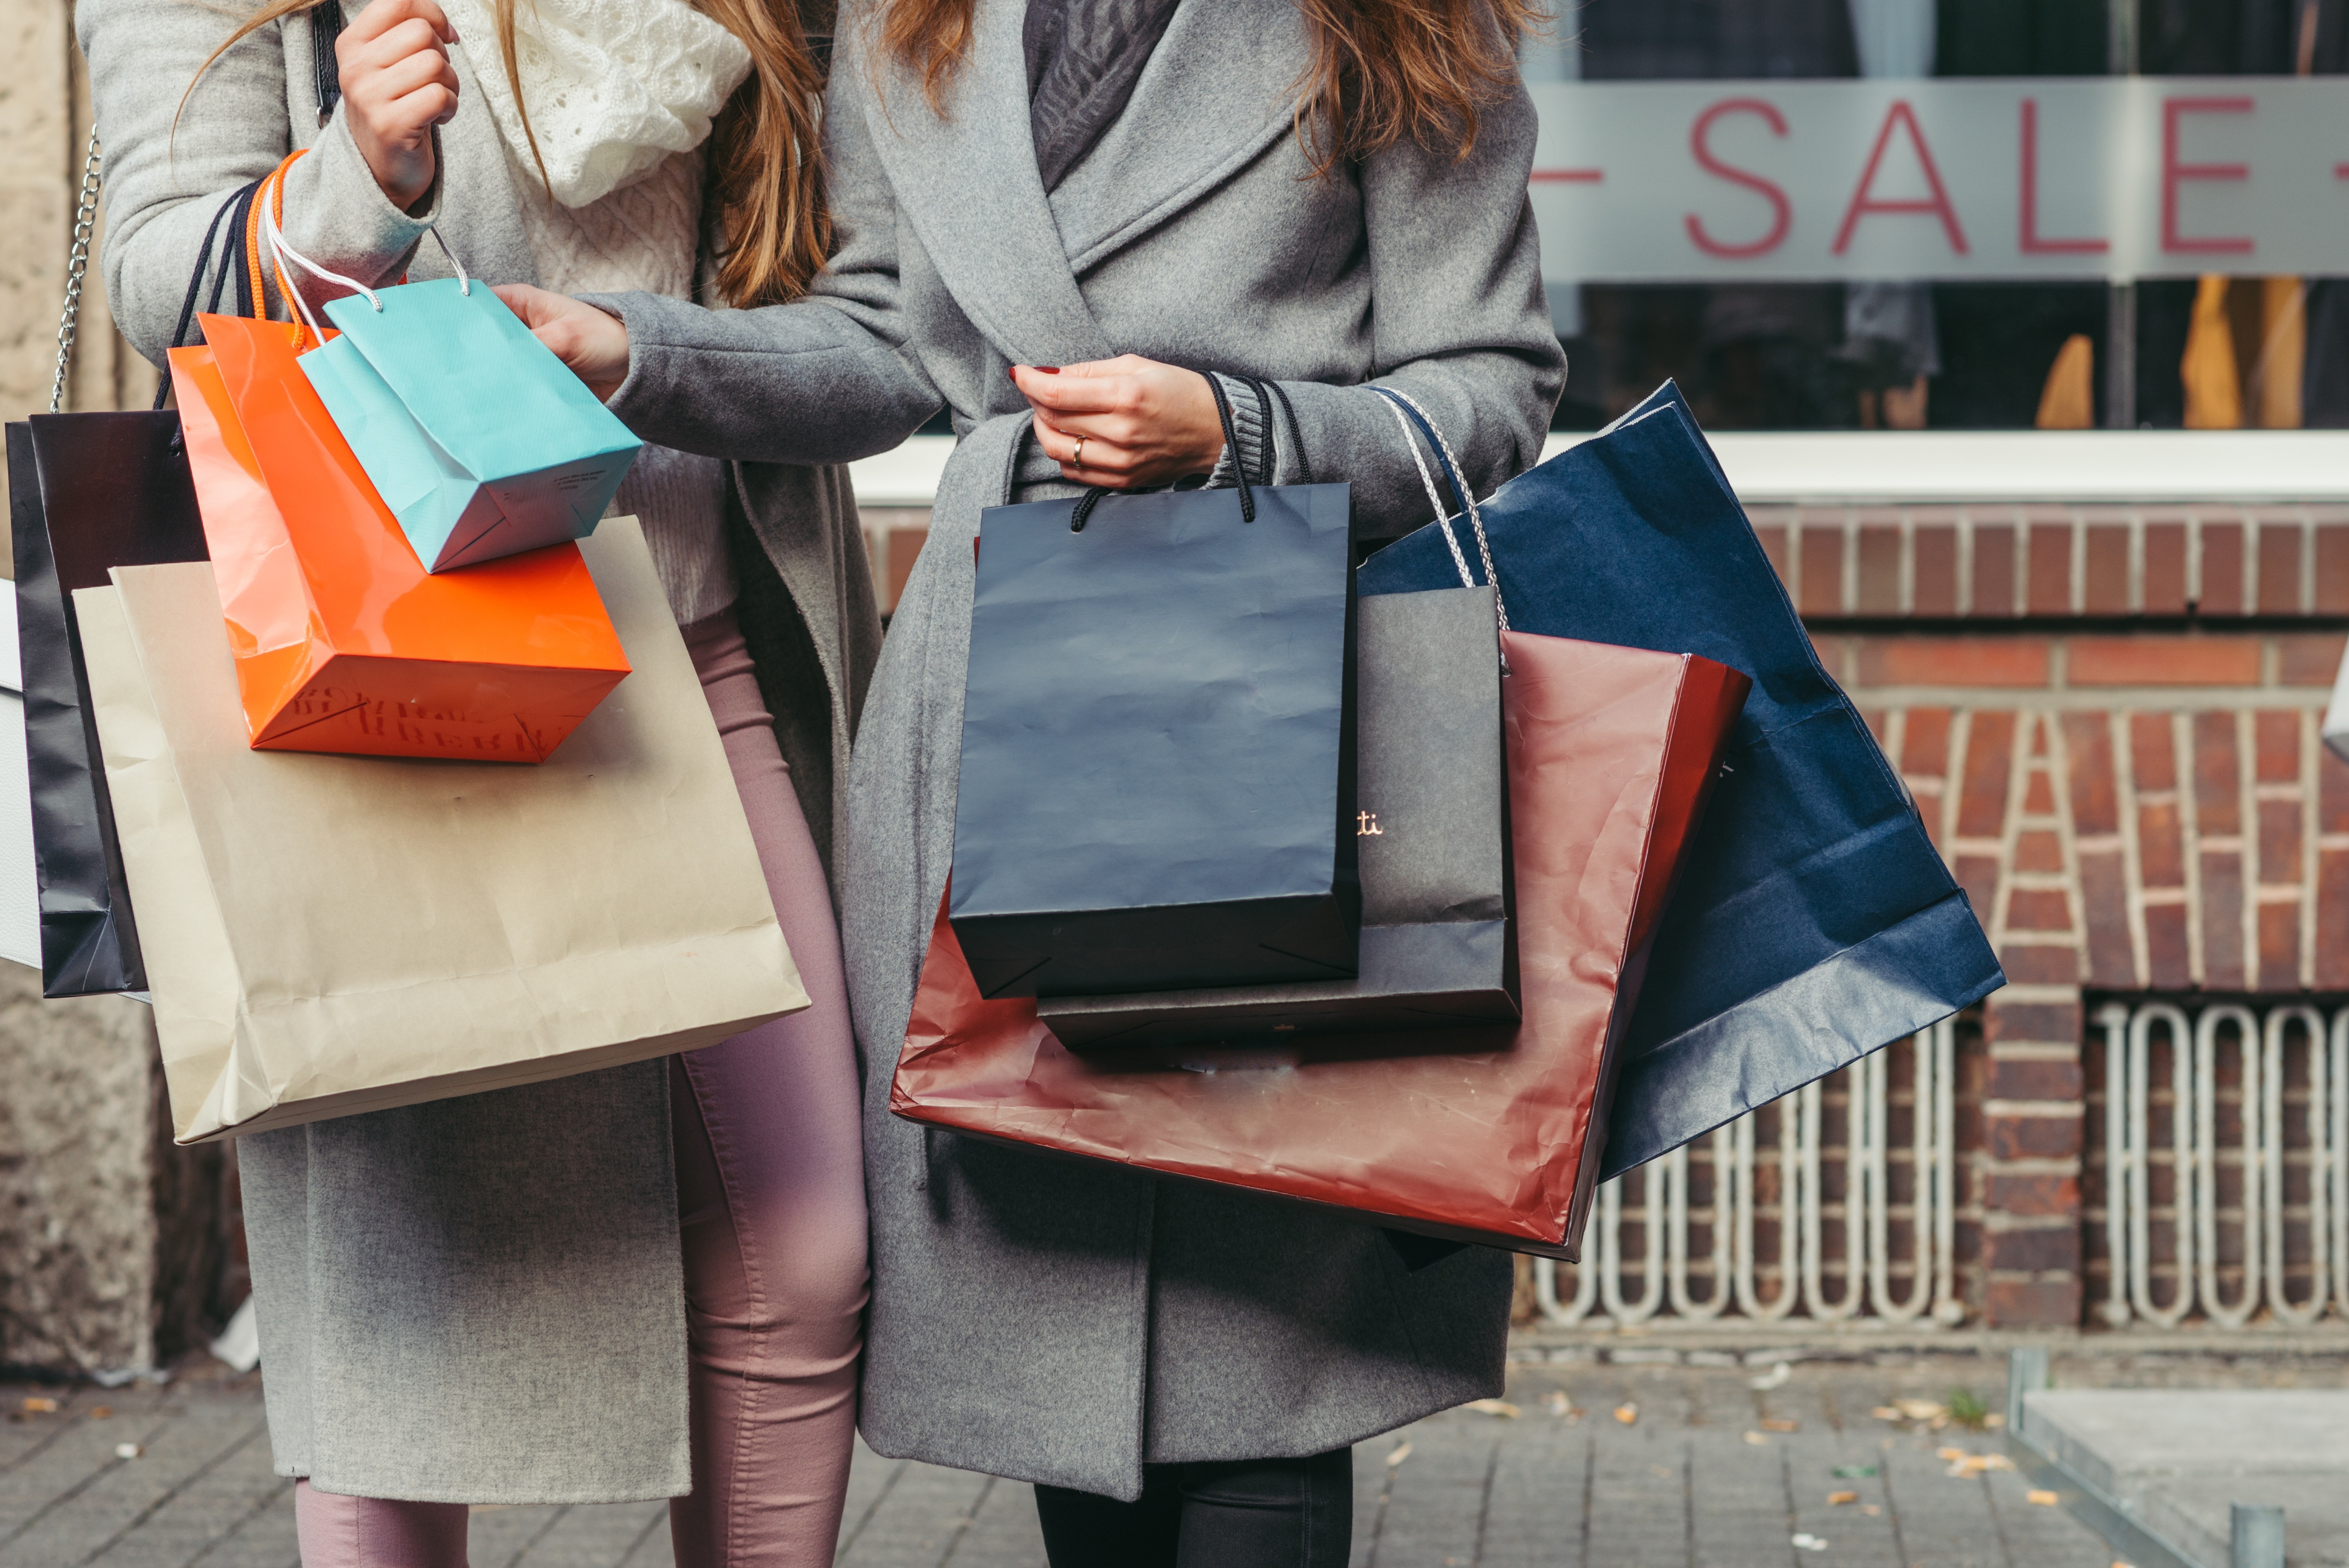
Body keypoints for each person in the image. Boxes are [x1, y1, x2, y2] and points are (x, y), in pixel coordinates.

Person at [504, 1, 1566, 1561]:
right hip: (1018, 705)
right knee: (1067, 1327)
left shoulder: (1391, 19)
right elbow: (881, 351)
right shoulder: (906, 18)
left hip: (1278, 710)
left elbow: (1492, 380)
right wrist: (638, 351)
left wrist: (1240, 426)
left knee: (1253, 1344)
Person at [80, 0, 875, 1561]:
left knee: (804, 1251)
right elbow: (152, 272)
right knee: (406, 1310)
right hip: (389, 653)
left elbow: (861, 277)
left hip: (696, 640)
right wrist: (354, 176)